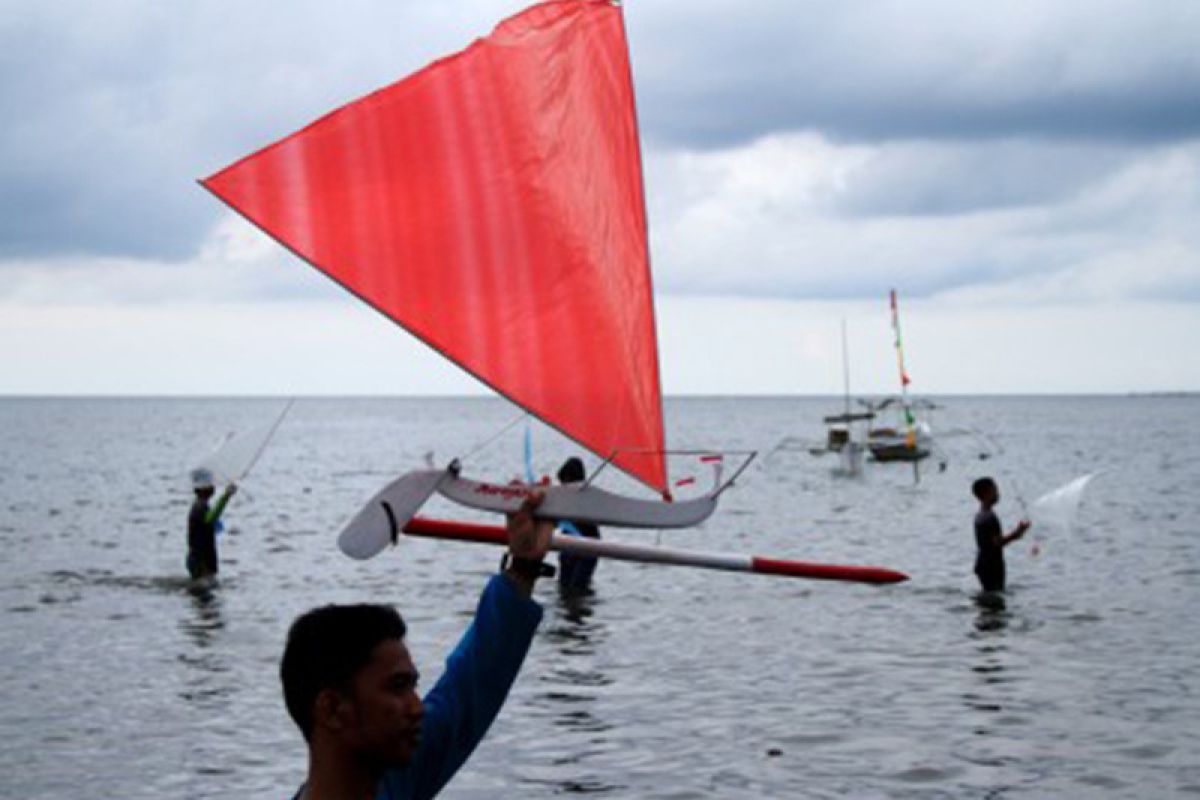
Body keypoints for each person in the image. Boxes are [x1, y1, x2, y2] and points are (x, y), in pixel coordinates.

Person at [280, 493, 554, 800]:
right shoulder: (396, 778)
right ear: (331, 709)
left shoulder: (394, 782)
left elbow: (469, 688)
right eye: (397, 687)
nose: (417, 707)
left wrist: (524, 566)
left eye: (412, 687)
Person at [971, 476, 1031, 593]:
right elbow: (997, 542)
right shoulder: (989, 517)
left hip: (985, 564)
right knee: (995, 601)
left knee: (991, 600)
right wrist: (1017, 533)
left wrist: (1017, 533)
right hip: (991, 566)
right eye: (995, 490)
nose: (998, 494)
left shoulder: (981, 515)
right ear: (986, 494)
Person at [554, 457, 600, 594]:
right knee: (564, 588)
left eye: (564, 483)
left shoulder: (586, 501)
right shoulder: (567, 501)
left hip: (586, 551)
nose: (562, 487)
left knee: (577, 589)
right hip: (568, 549)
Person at [187, 468, 237, 580]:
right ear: (203, 489)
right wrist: (226, 496)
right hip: (201, 560)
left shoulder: (200, 506)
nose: (213, 487)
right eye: (210, 484)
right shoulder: (199, 508)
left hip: (199, 558)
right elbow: (211, 518)